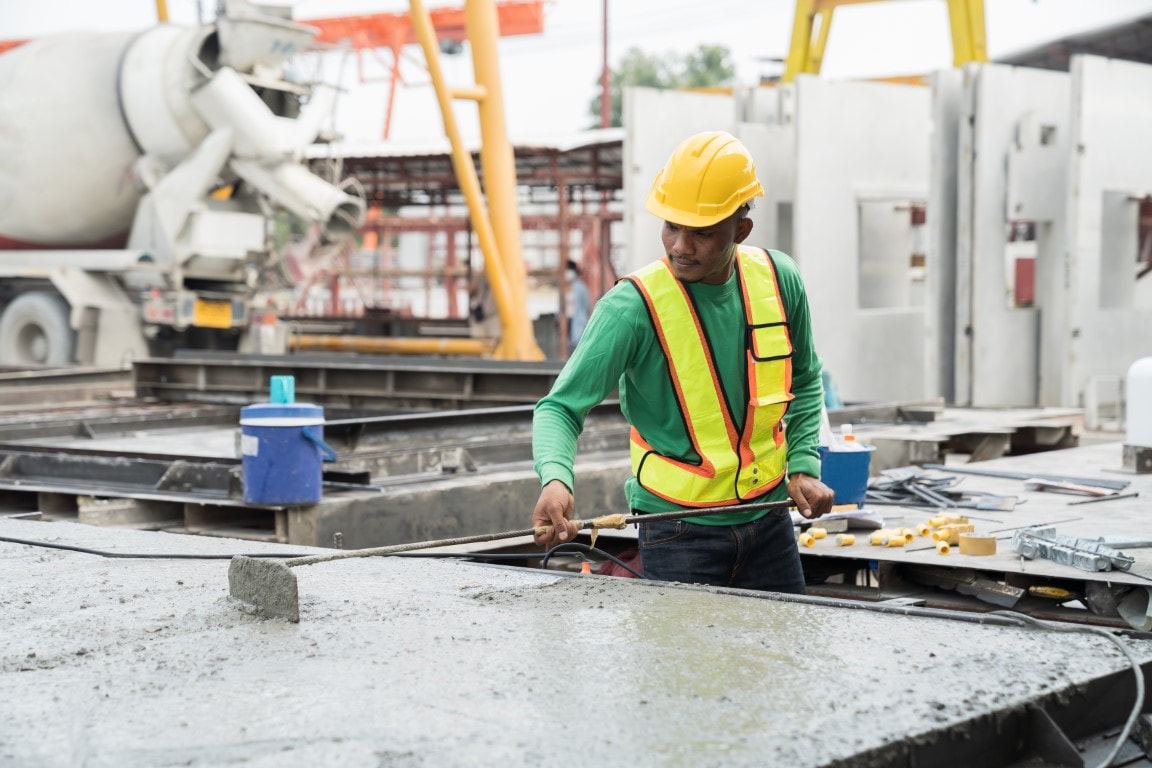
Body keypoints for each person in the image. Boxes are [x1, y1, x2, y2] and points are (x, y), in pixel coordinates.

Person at [530, 131, 834, 594]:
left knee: (778, 661)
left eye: (702, 232)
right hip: (677, 532)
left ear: (741, 231)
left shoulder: (779, 280)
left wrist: (804, 464)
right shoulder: (630, 307)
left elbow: (807, 381)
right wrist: (556, 479)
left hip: (770, 524)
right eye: (671, 225)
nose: (680, 246)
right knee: (682, 666)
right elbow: (560, 408)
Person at [565, 259, 590, 355]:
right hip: (568, 321)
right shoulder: (564, 287)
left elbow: (586, 306)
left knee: (576, 347)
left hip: (578, 321)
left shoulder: (581, 287)